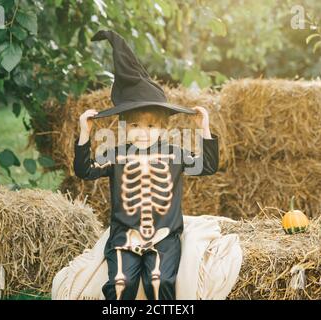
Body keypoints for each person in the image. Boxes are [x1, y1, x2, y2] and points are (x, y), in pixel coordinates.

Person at [73, 30, 220, 300]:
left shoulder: (174, 153)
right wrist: (85, 133)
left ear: (163, 129)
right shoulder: (116, 154)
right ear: (124, 127)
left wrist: (204, 129)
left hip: (164, 237)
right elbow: (85, 171)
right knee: (121, 285)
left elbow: (209, 166)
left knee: (161, 282)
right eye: (135, 126)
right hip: (124, 236)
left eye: (151, 126)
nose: (143, 133)